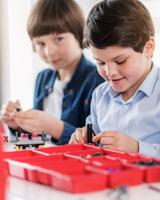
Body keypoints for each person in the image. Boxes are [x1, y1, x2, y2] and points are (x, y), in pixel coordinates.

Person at [69, 0, 160, 160]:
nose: (110, 72)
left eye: (120, 61)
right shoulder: (100, 95)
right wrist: (82, 139)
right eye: (100, 62)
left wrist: (138, 148)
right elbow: (93, 146)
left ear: (148, 48)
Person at [0, 0, 104, 145]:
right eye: (41, 44)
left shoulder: (98, 80)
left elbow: (96, 144)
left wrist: (56, 128)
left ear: (79, 35)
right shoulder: (42, 78)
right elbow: (39, 141)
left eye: (59, 39)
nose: (49, 52)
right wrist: (18, 125)